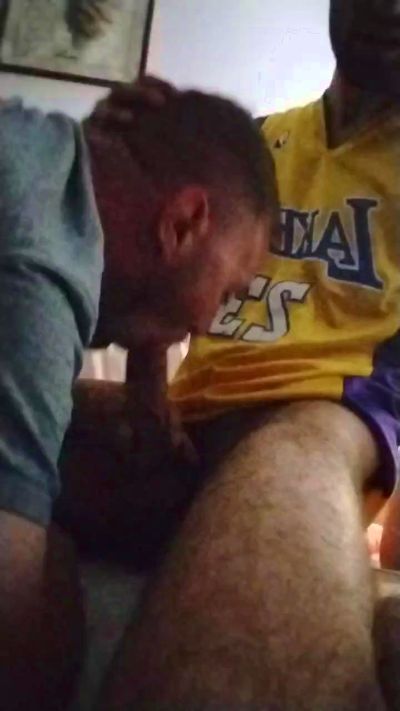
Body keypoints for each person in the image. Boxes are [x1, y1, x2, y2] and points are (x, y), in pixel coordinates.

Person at [94, 2, 400, 709]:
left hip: (322, 419)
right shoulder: (252, 144)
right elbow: (161, 277)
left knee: (287, 453)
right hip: (188, 419)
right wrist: (100, 173)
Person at [0, 82, 277, 710]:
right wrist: (56, 560)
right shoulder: (38, 279)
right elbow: (10, 655)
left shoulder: (40, 151)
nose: (207, 324)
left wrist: (149, 355)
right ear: (183, 221)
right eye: (228, 294)